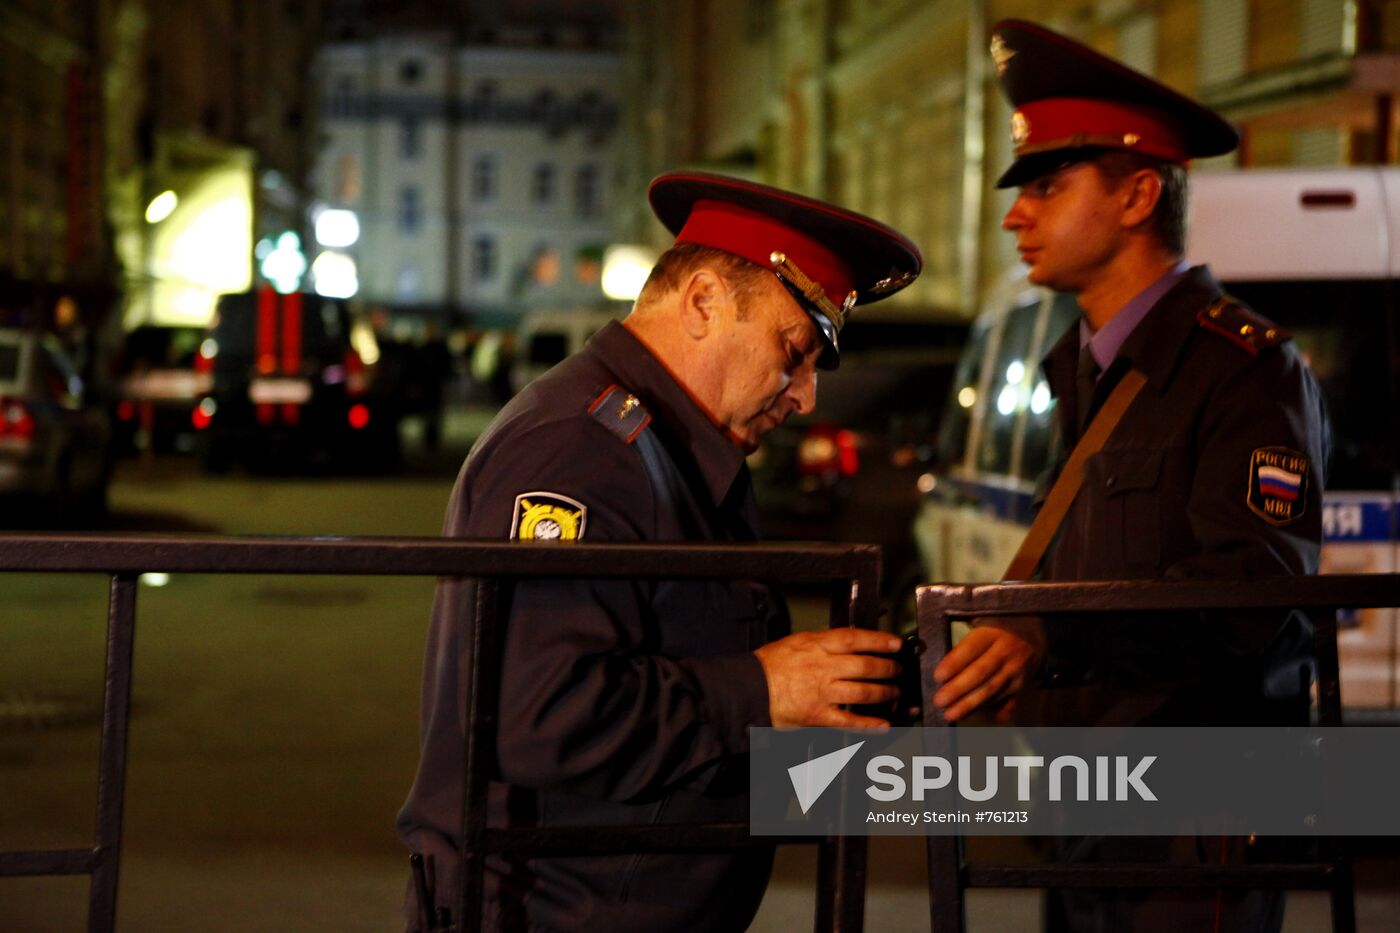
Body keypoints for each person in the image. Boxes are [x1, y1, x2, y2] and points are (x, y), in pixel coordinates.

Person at [397, 170, 922, 931]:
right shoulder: (579, 449)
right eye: (794, 350)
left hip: (617, 905)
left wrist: (919, 716)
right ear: (704, 302)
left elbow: (707, 741)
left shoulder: (680, 450)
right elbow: (539, 717)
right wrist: (762, 691)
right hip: (551, 915)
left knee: (1117, 788)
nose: (805, 395)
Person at [929, 19, 1330, 933]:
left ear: (1138, 193)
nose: (1014, 215)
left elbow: (1249, 589)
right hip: (1088, 791)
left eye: (1048, 186)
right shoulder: (1085, 363)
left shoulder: (1245, 367)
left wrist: (1048, 638)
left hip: (1196, 802)